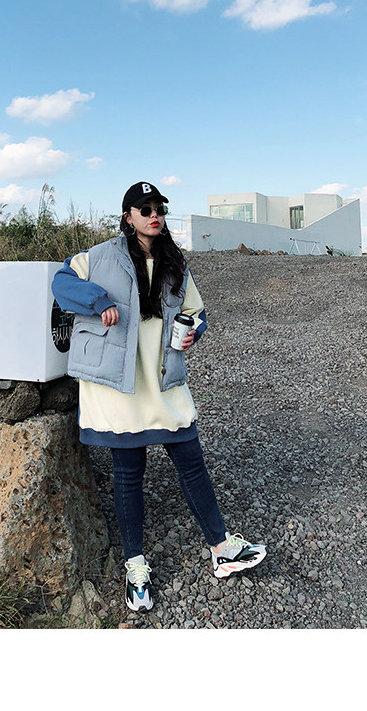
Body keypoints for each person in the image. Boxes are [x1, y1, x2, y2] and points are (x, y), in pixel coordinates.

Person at [50, 180, 265, 617]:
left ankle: (222, 547)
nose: (154, 216)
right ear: (127, 216)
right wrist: (97, 300)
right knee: (128, 475)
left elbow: (196, 313)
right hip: (119, 384)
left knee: (192, 461)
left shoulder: (174, 262)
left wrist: (193, 334)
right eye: (145, 209)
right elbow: (61, 283)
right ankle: (136, 568)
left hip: (163, 378)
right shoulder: (99, 256)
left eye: (159, 209)